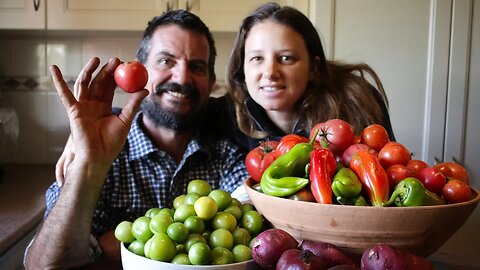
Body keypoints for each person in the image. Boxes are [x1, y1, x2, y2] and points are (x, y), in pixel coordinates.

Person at [24, 10, 248, 269]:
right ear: (141, 71)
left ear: (210, 83)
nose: (182, 77)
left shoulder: (229, 155)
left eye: (196, 67)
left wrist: (115, 249)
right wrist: (88, 165)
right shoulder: (104, 154)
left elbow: (246, 243)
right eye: (166, 61)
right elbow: (43, 265)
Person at [211, 2, 395, 151]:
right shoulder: (227, 113)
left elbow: (391, 172)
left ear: (313, 68)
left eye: (286, 58)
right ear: (242, 68)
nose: (270, 73)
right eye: (257, 58)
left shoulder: (356, 101)